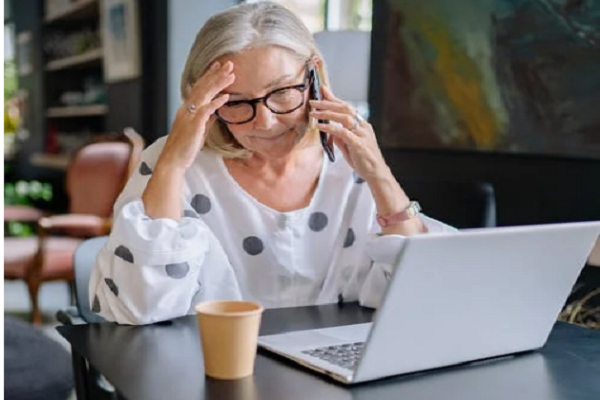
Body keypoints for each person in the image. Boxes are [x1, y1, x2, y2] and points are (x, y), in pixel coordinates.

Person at [89, 1, 454, 325]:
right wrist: (172, 165)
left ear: (313, 76)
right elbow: (139, 308)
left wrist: (378, 173)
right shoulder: (172, 164)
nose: (264, 122)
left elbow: (417, 295)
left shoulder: (350, 160)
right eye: (235, 102)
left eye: (281, 93)